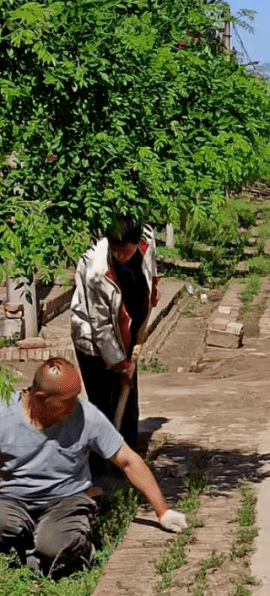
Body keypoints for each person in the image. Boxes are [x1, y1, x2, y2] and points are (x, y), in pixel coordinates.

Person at [0, 359, 186, 577]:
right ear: (41, 398)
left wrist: (163, 511)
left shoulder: (85, 416)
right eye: (67, 401)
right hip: (12, 500)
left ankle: (70, 549)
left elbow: (128, 460)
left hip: (64, 500)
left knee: (55, 550)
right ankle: (28, 549)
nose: (74, 405)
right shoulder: (5, 415)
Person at [70, 216, 160, 475]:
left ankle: (128, 459)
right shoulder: (96, 271)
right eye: (116, 251)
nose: (121, 256)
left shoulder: (146, 239)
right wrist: (120, 364)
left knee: (128, 396)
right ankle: (97, 467)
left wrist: (153, 285)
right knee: (101, 400)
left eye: (126, 251)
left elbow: (150, 264)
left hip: (127, 329)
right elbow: (101, 328)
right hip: (93, 339)